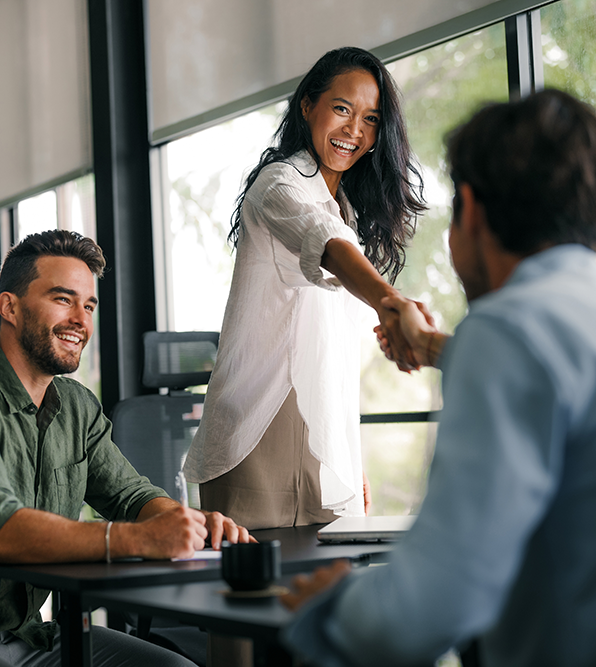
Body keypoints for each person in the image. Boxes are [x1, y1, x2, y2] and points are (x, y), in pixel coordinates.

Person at [280, 89, 596, 667]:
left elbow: (426, 610)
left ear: (469, 209)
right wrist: (432, 345)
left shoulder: (507, 332)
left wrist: (333, 609)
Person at [0, 230, 251, 667]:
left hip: (31, 636)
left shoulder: (77, 406)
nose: (80, 321)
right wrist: (141, 538)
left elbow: (130, 496)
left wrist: (189, 524)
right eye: (63, 299)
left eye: (88, 306)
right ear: (9, 307)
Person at [183, 46, 427, 529]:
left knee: (332, 575)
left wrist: (348, 456)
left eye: (371, 119)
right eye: (342, 109)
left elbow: (333, 355)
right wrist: (390, 302)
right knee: (257, 577)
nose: (354, 130)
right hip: (260, 429)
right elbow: (325, 242)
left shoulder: (347, 211)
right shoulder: (278, 185)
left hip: (323, 434)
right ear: (308, 105)